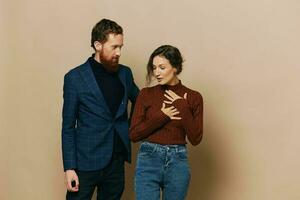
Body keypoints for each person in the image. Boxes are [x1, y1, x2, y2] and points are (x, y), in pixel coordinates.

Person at [61, 18, 139, 200]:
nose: (119, 52)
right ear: (98, 45)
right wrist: (69, 168)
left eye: (121, 47)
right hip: (86, 161)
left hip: (116, 160)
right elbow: (68, 127)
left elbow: (140, 99)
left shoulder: (125, 73)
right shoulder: (75, 78)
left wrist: (130, 128)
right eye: (114, 47)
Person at [129, 45, 203, 200]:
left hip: (178, 160)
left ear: (175, 67)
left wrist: (182, 107)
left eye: (162, 67)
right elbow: (134, 134)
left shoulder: (193, 97)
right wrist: (162, 115)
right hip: (148, 158)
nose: (156, 72)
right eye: (154, 68)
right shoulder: (146, 94)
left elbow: (195, 139)